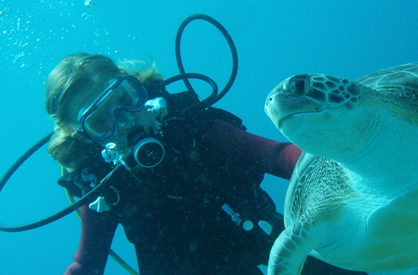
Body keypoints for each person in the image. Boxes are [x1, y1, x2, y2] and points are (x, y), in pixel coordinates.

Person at [45, 53, 365, 275]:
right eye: (101, 121)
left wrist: (359, 167)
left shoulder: (188, 124)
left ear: (136, 88)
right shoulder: (104, 187)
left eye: (125, 101)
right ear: (86, 138)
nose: (125, 122)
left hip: (258, 230)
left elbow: (277, 156)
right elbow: (86, 266)